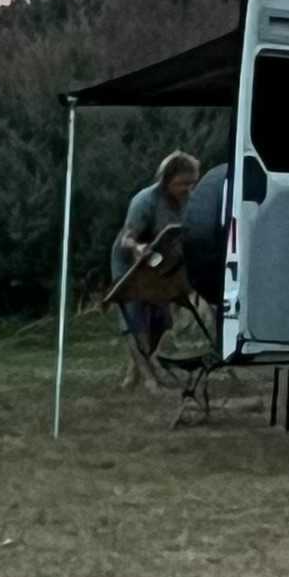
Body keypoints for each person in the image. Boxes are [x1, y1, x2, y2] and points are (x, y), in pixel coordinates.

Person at [108, 150, 200, 397]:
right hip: (130, 263)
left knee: (161, 321)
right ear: (167, 180)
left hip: (160, 264)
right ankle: (150, 382)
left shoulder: (188, 200)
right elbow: (127, 238)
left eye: (192, 183)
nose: (187, 188)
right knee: (135, 322)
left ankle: (132, 376)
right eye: (182, 183)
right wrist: (140, 249)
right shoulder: (144, 201)